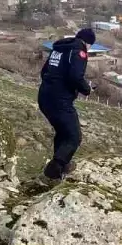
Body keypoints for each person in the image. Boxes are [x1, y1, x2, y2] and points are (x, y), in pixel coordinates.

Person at [37, 28, 95, 181]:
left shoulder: (59, 49)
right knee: (74, 136)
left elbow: (44, 72)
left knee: (63, 132)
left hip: (44, 97)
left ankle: (62, 166)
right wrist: (87, 89)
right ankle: (54, 168)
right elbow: (75, 76)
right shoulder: (78, 52)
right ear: (87, 43)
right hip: (59, 101)